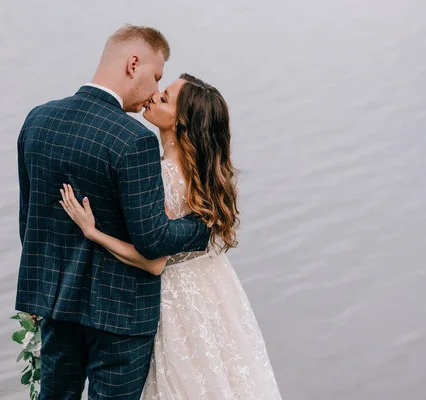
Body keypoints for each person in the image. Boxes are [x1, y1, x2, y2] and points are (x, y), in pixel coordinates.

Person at [15, 25, 210, 399]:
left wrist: (41, 298)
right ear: (133, 63)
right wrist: (204, 228)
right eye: (156, 76)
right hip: (121, 315)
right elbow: (153, 239)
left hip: (57, 305)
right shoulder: (133, 139)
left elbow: (30, 225)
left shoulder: (37, 120)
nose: (155, 90)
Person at [60, 74, 283, 399]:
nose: (152, 96)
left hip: (178, 300)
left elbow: (154, 263)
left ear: (181, 122)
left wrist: (94, 233)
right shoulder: (203, 173)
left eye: (164, 98)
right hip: (216, 289)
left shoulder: (161, 175)